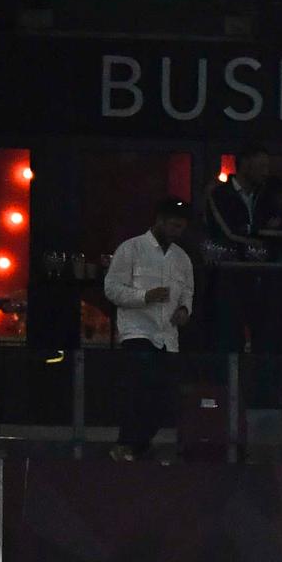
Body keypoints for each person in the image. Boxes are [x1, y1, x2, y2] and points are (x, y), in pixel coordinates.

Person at [100, 197, 194, 462]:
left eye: (181, 228)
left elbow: (187, 292)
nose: (177, 232)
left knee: (164, 395)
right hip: (138, 331)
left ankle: (138, 445)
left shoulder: (182, 258)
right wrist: (145, 296)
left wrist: (184, 310)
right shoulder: (131, 249)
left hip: (168, 336)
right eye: (173, 226)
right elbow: (112, 289)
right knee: (139, 388)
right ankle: (126, 443)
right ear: (160, 221)